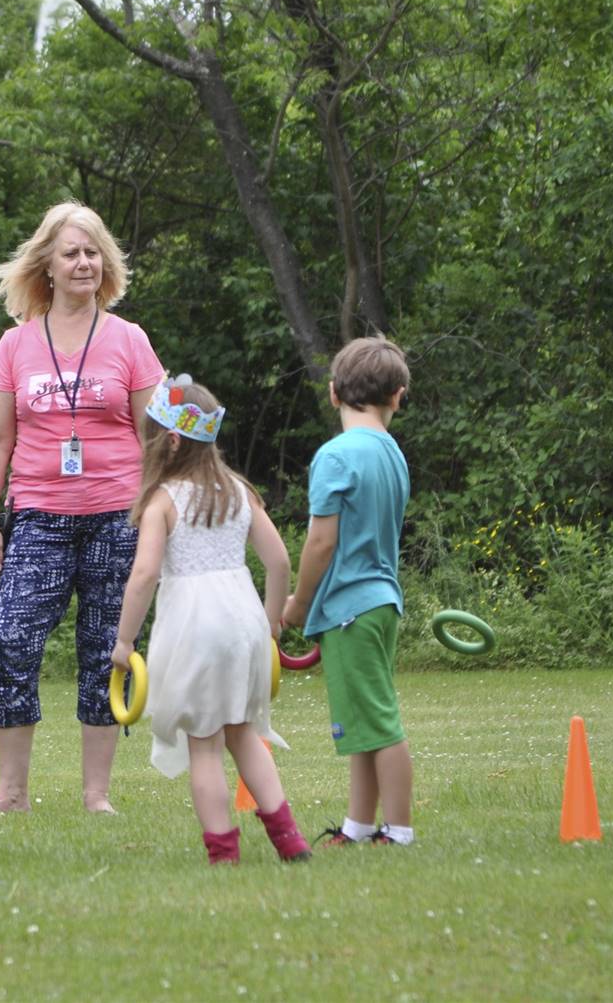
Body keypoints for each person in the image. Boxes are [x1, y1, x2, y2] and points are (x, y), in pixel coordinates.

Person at [0, 201, 165, 814]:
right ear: (46, 266)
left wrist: (160, 514)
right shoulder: (15, 344)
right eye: (71, 253)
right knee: (8, 640)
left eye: (92, 253)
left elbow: (154, 437)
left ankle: (96, 795)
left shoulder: (130, 339)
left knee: (106, 649)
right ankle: (12, 793)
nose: (83, 263)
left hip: (118, 516)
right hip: (38, 517)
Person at [110, 374, 312, 865]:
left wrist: (123, 642)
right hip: (243, 622)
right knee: (243, 732)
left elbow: (144, 576)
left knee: (204, 745)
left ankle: (223, 852)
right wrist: (271, 623)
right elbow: (281, 562)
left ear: (171, 440)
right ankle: (291, 841)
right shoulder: (239, 492)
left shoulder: (163, 501)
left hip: (195, 627)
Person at [281, 337, 416, 846]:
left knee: (378, 720)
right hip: (380, 602)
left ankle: (398, 830)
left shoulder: (335, 456)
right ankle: (359, 826)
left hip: (348, 608)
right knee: (361, 720)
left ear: (334, 393)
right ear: (397, 396)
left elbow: (321, 541)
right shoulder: (392, 453)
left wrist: (297, 603)